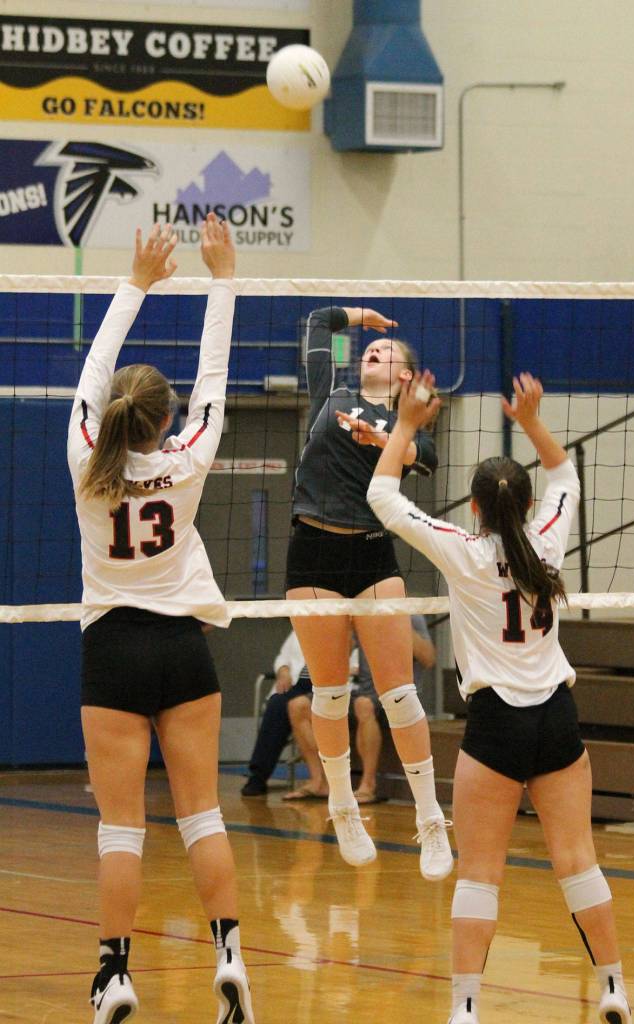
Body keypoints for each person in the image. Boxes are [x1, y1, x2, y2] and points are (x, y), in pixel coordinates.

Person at [367, 370, 631, 1024]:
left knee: (480, 872)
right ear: (525, 504)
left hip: (495, 725)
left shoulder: (465, 552)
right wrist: (533, 422)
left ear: (477, 510)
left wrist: (406, 424)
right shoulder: (548, 541)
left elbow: (382, 496)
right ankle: (614, 988)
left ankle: (465, 1007)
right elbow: (566, 477)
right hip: (556, 719)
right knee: (578, 861)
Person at [68, 216, 255, 1024]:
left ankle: (114, 976)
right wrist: (223, 279)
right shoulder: (189, 460)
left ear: (113, 415)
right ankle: (230, 958)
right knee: (202, 814)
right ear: (165, 421)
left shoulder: (85, 459)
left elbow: (92, 371)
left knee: (121, 829)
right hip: (183, 649)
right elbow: (213, 378)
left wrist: (136, 282)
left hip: (113, 649)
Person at [285, 304, 453, 879]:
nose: (372, 354)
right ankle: (341, 805)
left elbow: (426, 458)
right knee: (329, 693)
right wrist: (363, 320)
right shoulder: (330, 390)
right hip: (313, 554)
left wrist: (390, 433)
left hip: (373, 554)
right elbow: (321, 323)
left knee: (399, 694)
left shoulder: (407, 423)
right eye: (370, 352)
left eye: (386, 353)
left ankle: (430, 817)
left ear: (404, 376)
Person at [350, 615, 436, 804]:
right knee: (305, 704)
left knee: (364, 705)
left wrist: (399, 622)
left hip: (402, 690)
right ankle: (324, 783)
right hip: (364, 690)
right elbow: (344, 649)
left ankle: (368, 784)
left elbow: (429, 658)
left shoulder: (411, 616)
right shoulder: (361, 612)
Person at [241, 630, 328, 799]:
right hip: (296, 685)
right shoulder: (299, 628)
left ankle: (322, 780)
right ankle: (258, 776)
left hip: (322, 686)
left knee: (293, 705)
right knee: (277, 705)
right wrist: (283, 671)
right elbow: (283, 657)